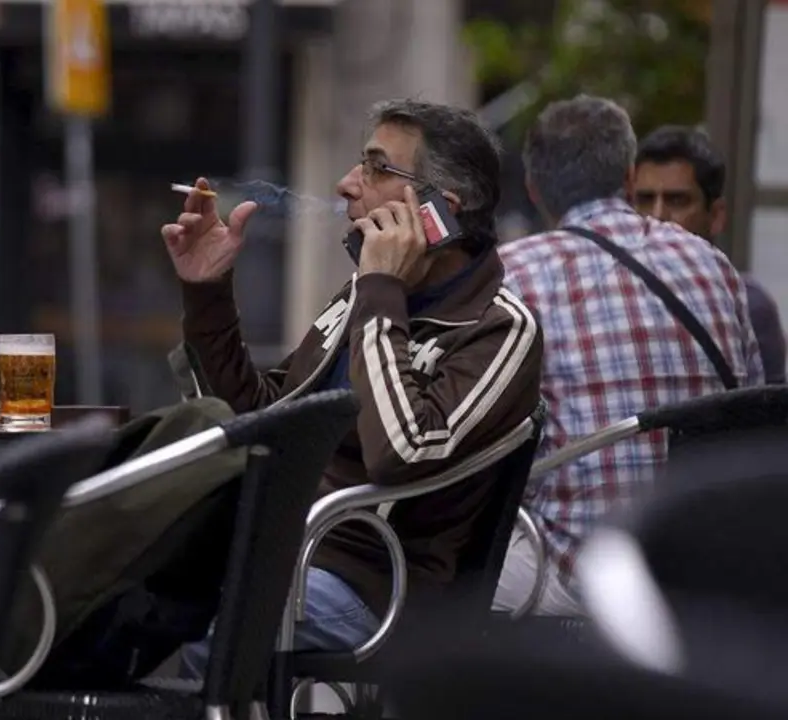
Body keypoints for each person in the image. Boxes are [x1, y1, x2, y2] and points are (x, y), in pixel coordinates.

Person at [163, 99, 542, 675]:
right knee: (116, 596)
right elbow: (258, 417)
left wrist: (381, 292)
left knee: (194, 631)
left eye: (377, 169)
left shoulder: (497, 328)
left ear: (440, 210)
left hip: (376, 588)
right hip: (283, 551)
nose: (346, 185)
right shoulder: (364, 297)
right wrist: (208, 294)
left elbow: (403, 452)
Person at [493, 96, 763, 616]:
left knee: (430, 576)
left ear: (532, 187)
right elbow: (748, 404)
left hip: (582, 574)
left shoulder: (515, 273)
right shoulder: (712, 262)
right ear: (630, 176)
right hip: (703, 567)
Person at [632, 125, 786, 383]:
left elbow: (770, 417)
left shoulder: (749, 304)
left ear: (715, 216)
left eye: (677, 200)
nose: (657, 215)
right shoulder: (605, 294)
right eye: (644, 199)